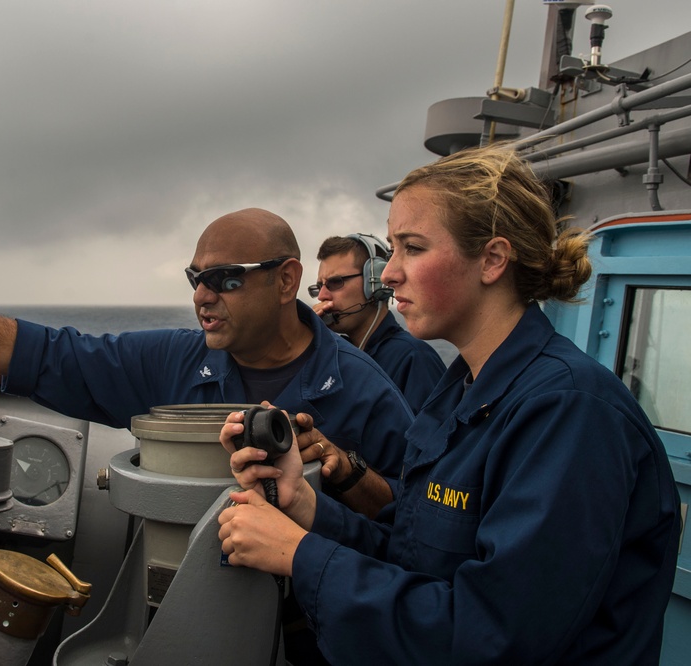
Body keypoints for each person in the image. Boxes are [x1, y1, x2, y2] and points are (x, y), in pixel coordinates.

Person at [216, 146, 681, 664]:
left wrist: (300, 556)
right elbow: (413, 555)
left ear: (492, 259)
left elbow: (496, 637)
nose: (388, 275)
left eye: (412, 248)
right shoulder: (461, 390)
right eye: (392, 249)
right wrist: (305, 505)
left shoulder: (569, 413)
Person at [0, 207, 412, 518]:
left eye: (224, 277)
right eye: (196, 276)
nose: (201, 295)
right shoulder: (173, 363)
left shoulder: (362, 391)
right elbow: (45, 352)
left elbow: (413, 529)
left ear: (286, 281)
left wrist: (342, 472)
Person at [310, 233, 446, 412]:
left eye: (336, 282)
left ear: (374, 283)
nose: (322, 296)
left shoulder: (413, 358)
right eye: (319, 287)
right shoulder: (334, 358)